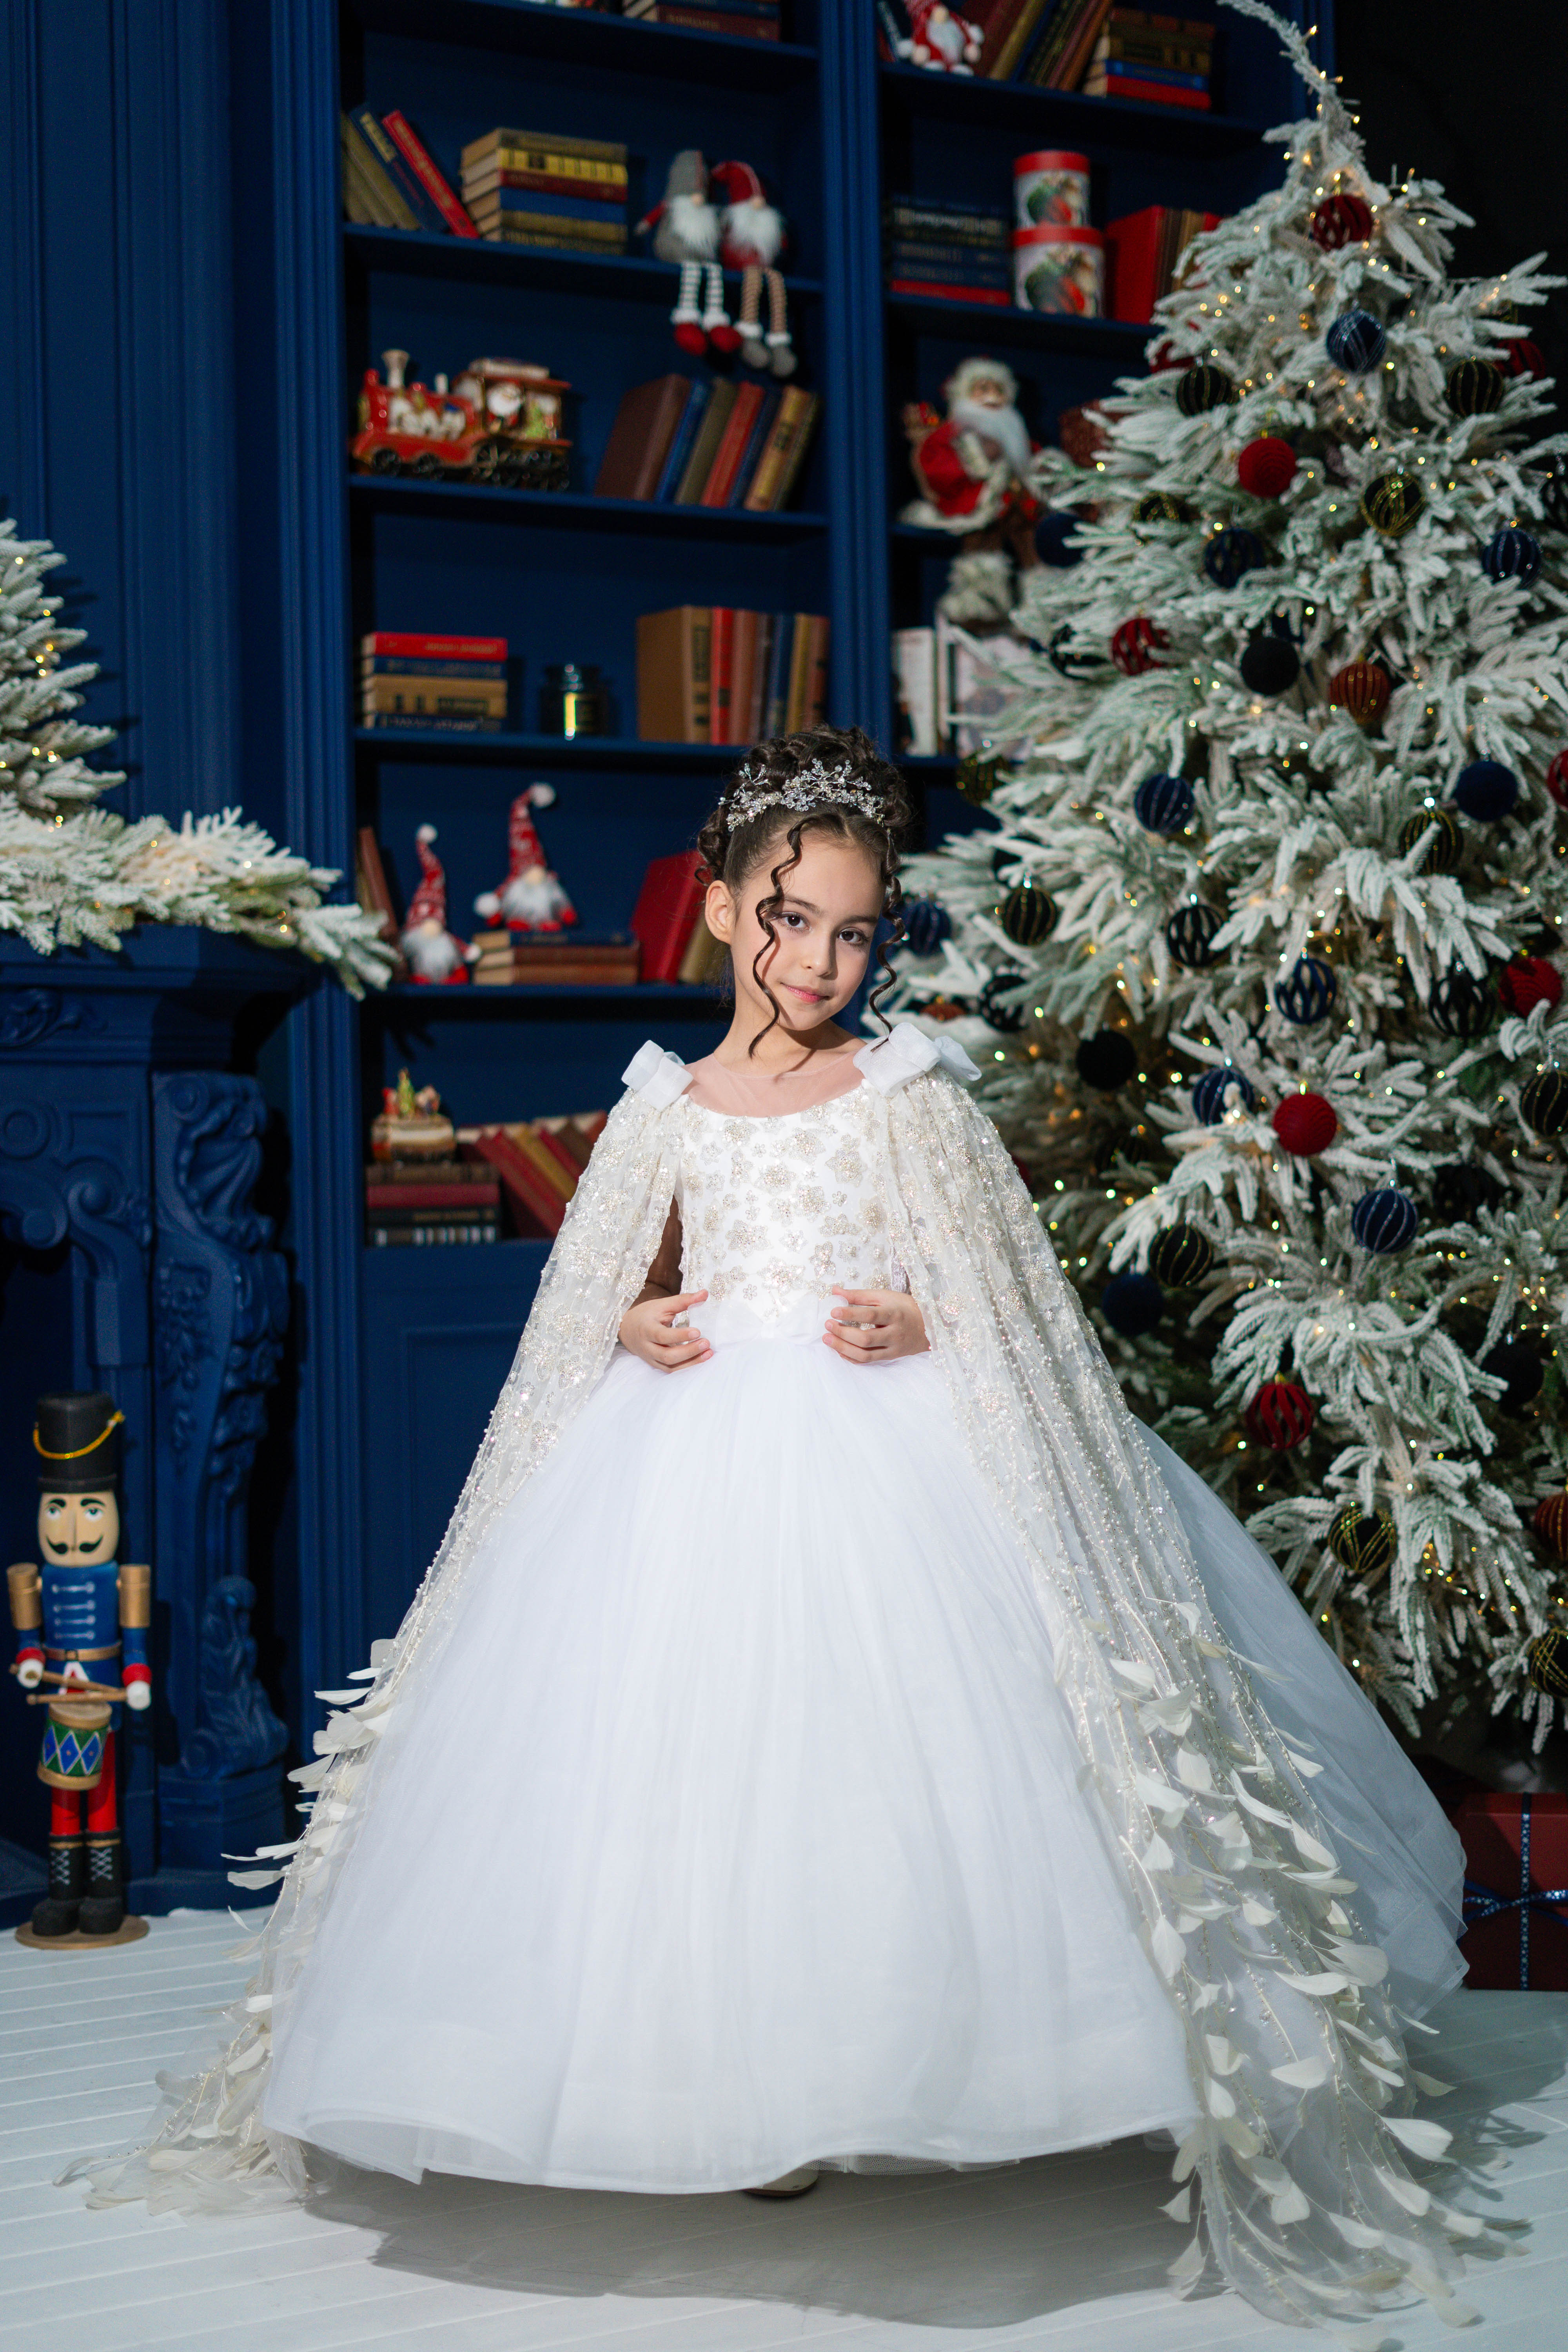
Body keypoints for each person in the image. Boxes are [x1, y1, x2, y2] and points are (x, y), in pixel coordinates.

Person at [77, 727, 1483, 2332]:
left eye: (852, 929)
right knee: (692, 1777)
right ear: (727, 905)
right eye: (787, 916)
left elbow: (1011, 1304)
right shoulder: (664, 1105)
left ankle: (913, 2069)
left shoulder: (908, 1096)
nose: (817, 959)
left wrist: (919, 1317)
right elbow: (577, 1311)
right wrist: (637, 1330)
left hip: (888, 1457)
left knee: (893, 1774)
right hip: (685, 1466)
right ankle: (722, 2089)